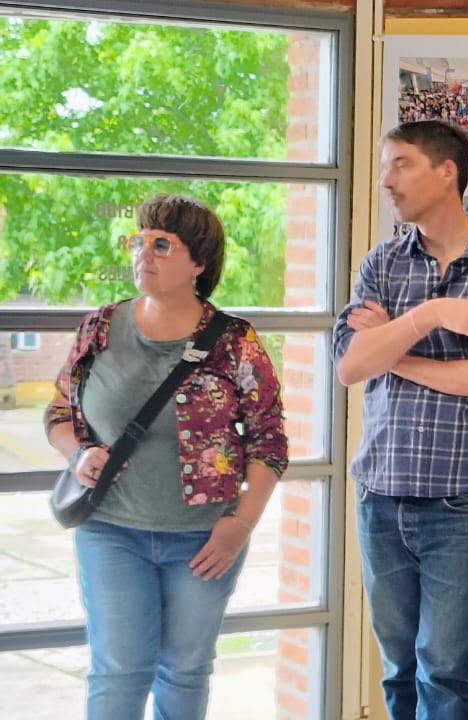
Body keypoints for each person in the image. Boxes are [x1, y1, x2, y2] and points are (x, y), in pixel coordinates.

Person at [44, 194, 288, 720]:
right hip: (111, 530)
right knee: (119, 669)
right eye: (139, 241)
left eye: (161, 244)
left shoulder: (235, 341)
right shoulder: (100, 327)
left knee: (185, 670)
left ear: (199, 262)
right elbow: (59, 412)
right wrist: (78, 453)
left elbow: (269, 440)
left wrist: (241, 524)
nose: (142, 254)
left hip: (203, 539)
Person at [333, 120, 468, 720]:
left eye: (400, 164)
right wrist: (432, 315)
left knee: (445, 676)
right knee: (398, 670)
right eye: (384, 166)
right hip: (381, 492)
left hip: (463, 499)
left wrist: (393, 351)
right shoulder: (382, 262)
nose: (386, 181)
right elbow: (350, 366)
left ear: (447, 172)